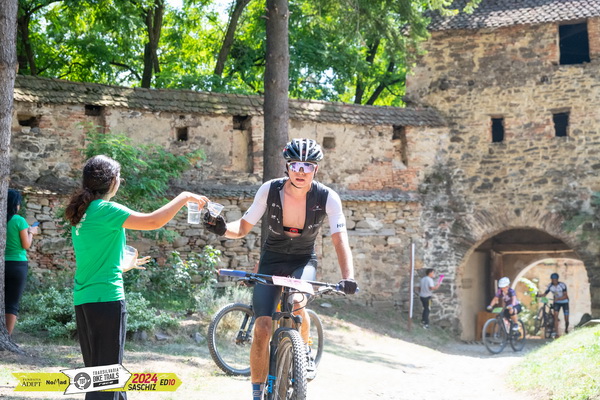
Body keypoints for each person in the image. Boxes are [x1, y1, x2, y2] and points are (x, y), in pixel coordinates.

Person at [204, 138, 357, 400]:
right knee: (262, 327)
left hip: (303, 261)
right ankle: (257, 392)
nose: (301, 171)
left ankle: (303, 352)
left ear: (316, 170)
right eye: (295, 165)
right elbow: (243, 227)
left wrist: (348, 277)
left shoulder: (328, 197)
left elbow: (339, 239)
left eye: (307, 166)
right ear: (287, 167)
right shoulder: (269, 190)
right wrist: (222, 228)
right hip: (272, 260)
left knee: (297, 302)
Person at [65, 155, 208, 400]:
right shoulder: (107, 210)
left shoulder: (83, 212)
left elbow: (94, 260)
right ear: (112, 182)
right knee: (106, 381)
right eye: (119, 177)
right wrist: (184, 197)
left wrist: (122, 266)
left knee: (101, 376)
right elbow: (152, 221)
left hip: (85, 299)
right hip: (107, 299)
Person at [4, 189, 39, 335]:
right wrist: (31, 232)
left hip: (3, 263)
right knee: (11, 303)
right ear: (15, 204)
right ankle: (6, 336)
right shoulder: (19, 220)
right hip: (17, 265)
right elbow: (26, 245)